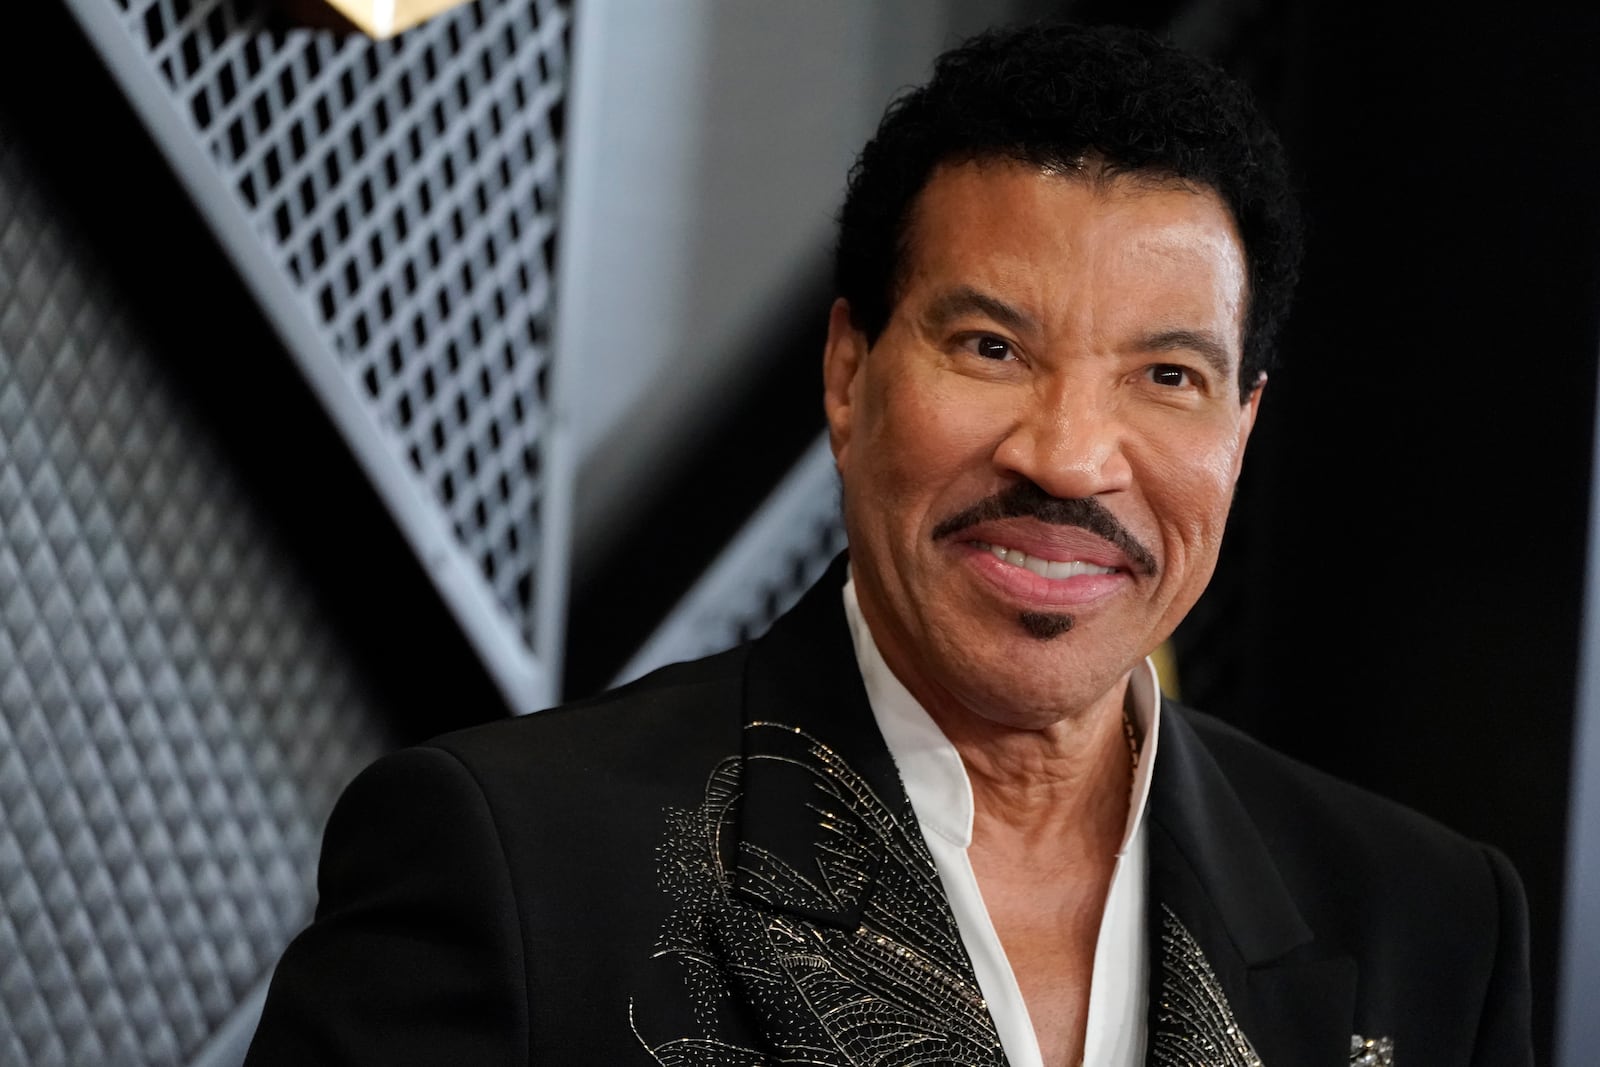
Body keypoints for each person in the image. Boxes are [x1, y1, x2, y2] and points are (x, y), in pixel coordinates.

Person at [245, 22, 1532, 1067]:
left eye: (1166, 375)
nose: (1072, 455)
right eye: (991, 348)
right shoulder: (514, 867)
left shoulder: (1428, 920)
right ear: (849, 371)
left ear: (1242, 429)